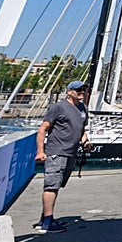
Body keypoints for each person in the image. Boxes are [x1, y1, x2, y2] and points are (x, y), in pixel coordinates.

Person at [33, 79, 93, 233]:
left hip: (71, 153)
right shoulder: (58, 107)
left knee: (57, 185)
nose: (82, 92)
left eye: (83, 90)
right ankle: (47, 223)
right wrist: (40, 151)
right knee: (51, 186)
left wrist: (85, 142)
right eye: (78, 90)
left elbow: (81, 129)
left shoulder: (83, 109)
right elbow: (43, 129)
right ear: (69, 92)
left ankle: (44, 218)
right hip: (56, 152)